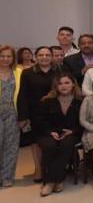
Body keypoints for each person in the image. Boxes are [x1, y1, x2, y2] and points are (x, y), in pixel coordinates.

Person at [36, 74, 82, 196]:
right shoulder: (47, 101)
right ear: (55, 86)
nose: (63, 86)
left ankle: (50, 182)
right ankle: (58, 180)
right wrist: (50, 132)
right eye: (60, 83)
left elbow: (84, 122)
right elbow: (40, 121)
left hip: (72, 133)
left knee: (66, 144)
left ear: (73, 84)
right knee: (49, 146)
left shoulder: (80, 101)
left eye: (67, 83)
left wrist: (73, 131)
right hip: (49, 133)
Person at [18, 46, 57, 182]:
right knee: (35, 142)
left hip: (54, 113)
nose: (44, 57)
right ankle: (38, 169)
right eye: (41, 55)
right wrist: (23, 116)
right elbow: (22, 95)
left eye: (47, 55)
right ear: (36, 57)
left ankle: (52, 168)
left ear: (51, 57)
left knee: (52, 141)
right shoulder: (27, 73)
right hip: (34, 114)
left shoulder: (59, 71)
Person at [0, 46, 24, 187]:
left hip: (12, 112)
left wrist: (23, 116)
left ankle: (7, 177)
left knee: (11, 146)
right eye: (2, 56)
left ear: (13, 58)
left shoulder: (19, 72)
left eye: (8, 56)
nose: (5, 59)